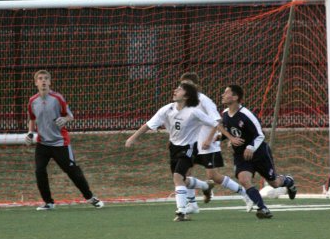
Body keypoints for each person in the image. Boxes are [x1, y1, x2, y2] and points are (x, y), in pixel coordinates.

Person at [125, 81, 219, 221]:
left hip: (189, 148)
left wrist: (215, 137)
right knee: (182, 180)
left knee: (177, 177)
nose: (175, 90)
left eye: (179, 89)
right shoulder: (167, 109)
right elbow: (148, 125)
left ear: (186, 96)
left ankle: (181, 212)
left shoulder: (194, 111)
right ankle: (206, 186)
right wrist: (132, 138)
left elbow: (215, 123)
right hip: (174, 148)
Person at [25, 69, 104, 210]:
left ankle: (90, 197)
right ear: (36, 82)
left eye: (46, 78)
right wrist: (30, 133)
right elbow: (32, 119)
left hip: (60, 142)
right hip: (42, 143)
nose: (43, 81)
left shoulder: (57, 98)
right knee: (39, 171)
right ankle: (48, 203)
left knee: (73, 171)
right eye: (40, 79)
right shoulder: (32, 101)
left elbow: (70, 116)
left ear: (49, 82)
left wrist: (64, 119)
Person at [218, 84, 297, 219]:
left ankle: (289, 181)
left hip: (259, 153)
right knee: (244, 179)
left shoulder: (246, 115)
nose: (222, 95)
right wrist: (219, 138)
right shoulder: (225, 114)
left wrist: (250, 147)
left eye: (226, 93)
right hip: (241, 155)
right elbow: (230, 131)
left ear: (235, 97)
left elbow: (260, 134)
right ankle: (262, 208)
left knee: (274, 183)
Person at [179, 72, 253, 213]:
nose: (185, 87)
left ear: (196, 85)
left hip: (208, 143)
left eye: (188, 84)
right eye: (183, 84)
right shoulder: (185, 102)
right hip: (192, 143)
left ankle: (244, 193)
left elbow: (217, 120)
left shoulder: (204, 100)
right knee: (185, 172)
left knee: (213, 176)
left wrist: (208, 138)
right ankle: (192, 204)